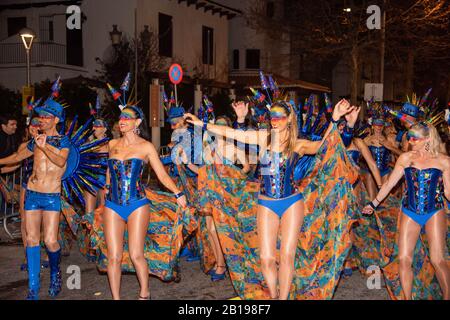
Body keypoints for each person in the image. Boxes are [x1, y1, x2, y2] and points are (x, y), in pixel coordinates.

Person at [184, 99, 354, 300]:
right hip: (266, 203)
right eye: (272, 116)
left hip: (292, 202)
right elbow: (232, 133)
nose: (275, 121)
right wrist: (201, 124)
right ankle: (273, 296)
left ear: (289, 119)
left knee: (287, 256)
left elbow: (324, 146)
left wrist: (335, 119)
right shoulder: (262, 138)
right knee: (266, 258)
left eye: (280, 117)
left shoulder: (297, 144)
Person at [103, 104, 187, 300]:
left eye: (127, 118)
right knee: (113, 257)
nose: (121, 121)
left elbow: (162, 176)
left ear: (137, 122)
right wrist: (107, 187)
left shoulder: (146, 146)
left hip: (137, 204)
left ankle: (144, 293)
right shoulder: (112, 144)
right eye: (120, 118)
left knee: (136, 254)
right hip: (112, 205)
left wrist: (178, 193)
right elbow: (109, 170)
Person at [363, 122, 450, 300]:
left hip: (434, 210)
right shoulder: (405, 158)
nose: (410, 141)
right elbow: (389, 184)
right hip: (410, 210)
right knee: (403, 258)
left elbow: (448, 191)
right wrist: (373, 203)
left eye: (414, 138)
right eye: (409, 137)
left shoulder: (443, 161)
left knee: (437, 259)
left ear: (427, 139)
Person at [0, 100, 70, 300]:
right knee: (31, 239)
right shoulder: (34, 141)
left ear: (56, 120)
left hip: (51, 196)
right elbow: (16, 156)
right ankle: (33, 287)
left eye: (47, 116)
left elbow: (60, 160)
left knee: (50, 241)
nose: (42, 120)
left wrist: (45, 145)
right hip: (32, 193)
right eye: (41, 116)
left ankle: (55, 274)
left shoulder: (64, 141)